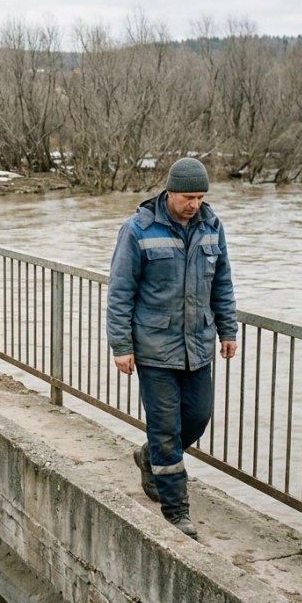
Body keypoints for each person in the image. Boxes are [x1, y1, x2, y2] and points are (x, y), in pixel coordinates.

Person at [106, 157, 237, 539]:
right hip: (154, 349)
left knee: (197, 418)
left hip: (198, 347)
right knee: (166, 430)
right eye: (188, 197)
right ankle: (177, 511)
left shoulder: (212, 228)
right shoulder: (138, 229)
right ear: (170, 192)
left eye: (200, 197)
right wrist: (121, 345)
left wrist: (228, 331)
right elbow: (120, 292)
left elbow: (222, 284)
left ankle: (150, 457)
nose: (195, 204)